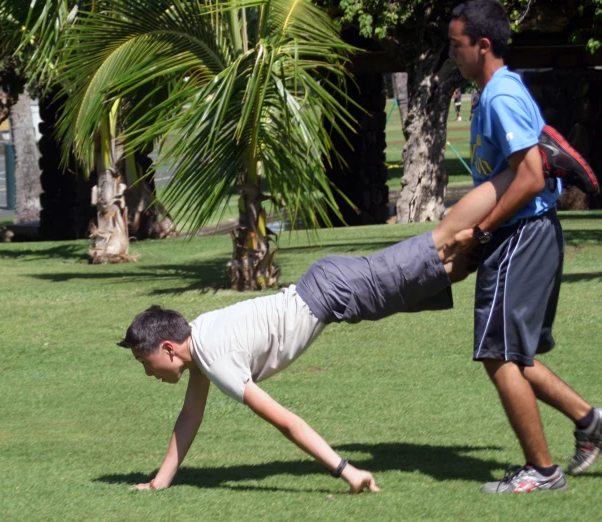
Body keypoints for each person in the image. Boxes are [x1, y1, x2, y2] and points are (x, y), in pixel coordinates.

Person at [119, 148, 590, 494]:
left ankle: (527, 168)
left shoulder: (214, 356)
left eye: (144, 364)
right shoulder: (199, 344)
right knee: (452, 266)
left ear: (166, 349)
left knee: (443, 239)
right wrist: (160, 483)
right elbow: (190, 416)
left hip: (332, 291)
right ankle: (514, 199)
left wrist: (346, 469)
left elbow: (285, 422)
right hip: (335, 295)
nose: (147, 373)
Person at [448, 0, 601, 494]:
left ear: (482, 45)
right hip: (526, 235)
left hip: (522, 234)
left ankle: (542, 471)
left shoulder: (500, 97)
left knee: (498, 354)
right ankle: (590, 421)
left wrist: (484, 230)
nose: (452, 53)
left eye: (457, 45)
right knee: (518, 354)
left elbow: (532, 176)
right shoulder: (493, 92)